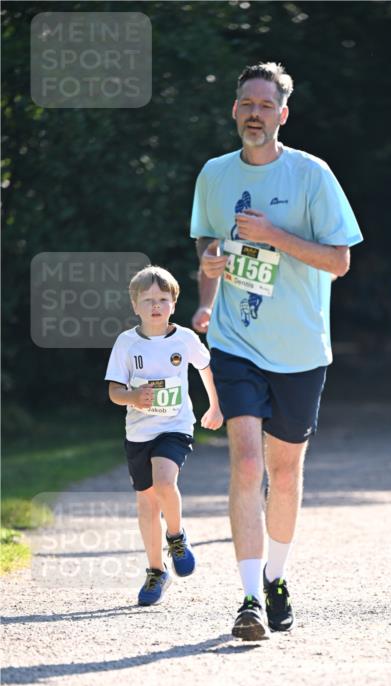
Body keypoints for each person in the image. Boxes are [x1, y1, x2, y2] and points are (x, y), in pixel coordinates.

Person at [190, 61, 362, 641]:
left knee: (283, 474)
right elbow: (208, 243)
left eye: (266, 105)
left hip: (299, 348)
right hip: (235, 340)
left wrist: (274, 237)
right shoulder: (214, 174)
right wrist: (207, 284)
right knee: (246, 462)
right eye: (247, 104)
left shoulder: (312, 175)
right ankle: (247, 601)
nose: (255, 114)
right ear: (234, 110)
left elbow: (339, 261)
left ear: (283, 114)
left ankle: (275, 578)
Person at [105, 265, 223, 606]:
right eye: (148, 300)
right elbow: (114, 391)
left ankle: (176, 536)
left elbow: (206, 368)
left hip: (175, 426)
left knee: (164, 482)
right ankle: (157, 571)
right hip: (138, 432)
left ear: (174, 303)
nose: (156, 306)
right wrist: (132, 397)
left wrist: (215, 407)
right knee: (146, 503)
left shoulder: (184, 338)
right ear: (135, 305)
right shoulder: (126, 343)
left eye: (162, 299)